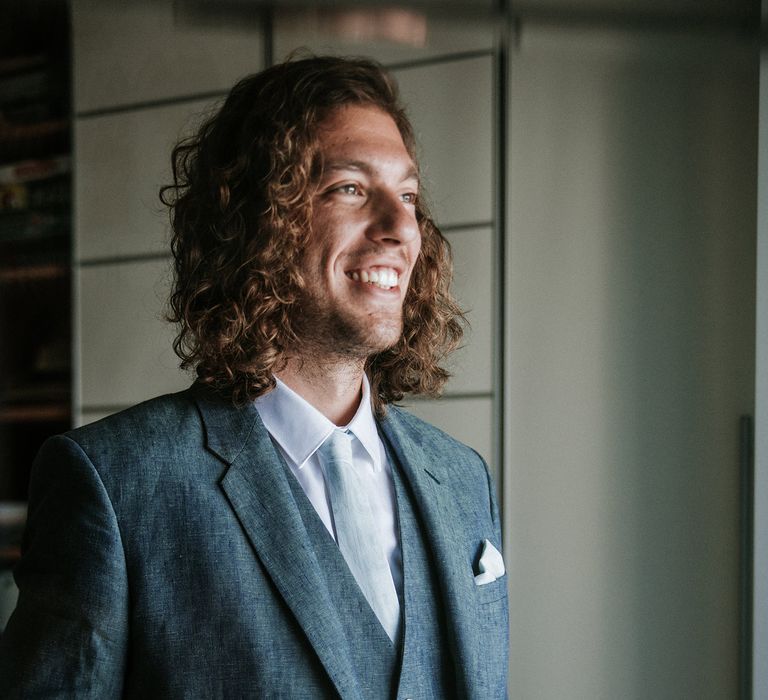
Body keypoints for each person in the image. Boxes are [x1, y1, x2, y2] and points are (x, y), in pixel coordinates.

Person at [0, 55, 508, 698]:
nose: (401, 227)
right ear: (255, 220)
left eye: (407, 195)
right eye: (350, 188)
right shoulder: (113, 485)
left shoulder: (463, 479)